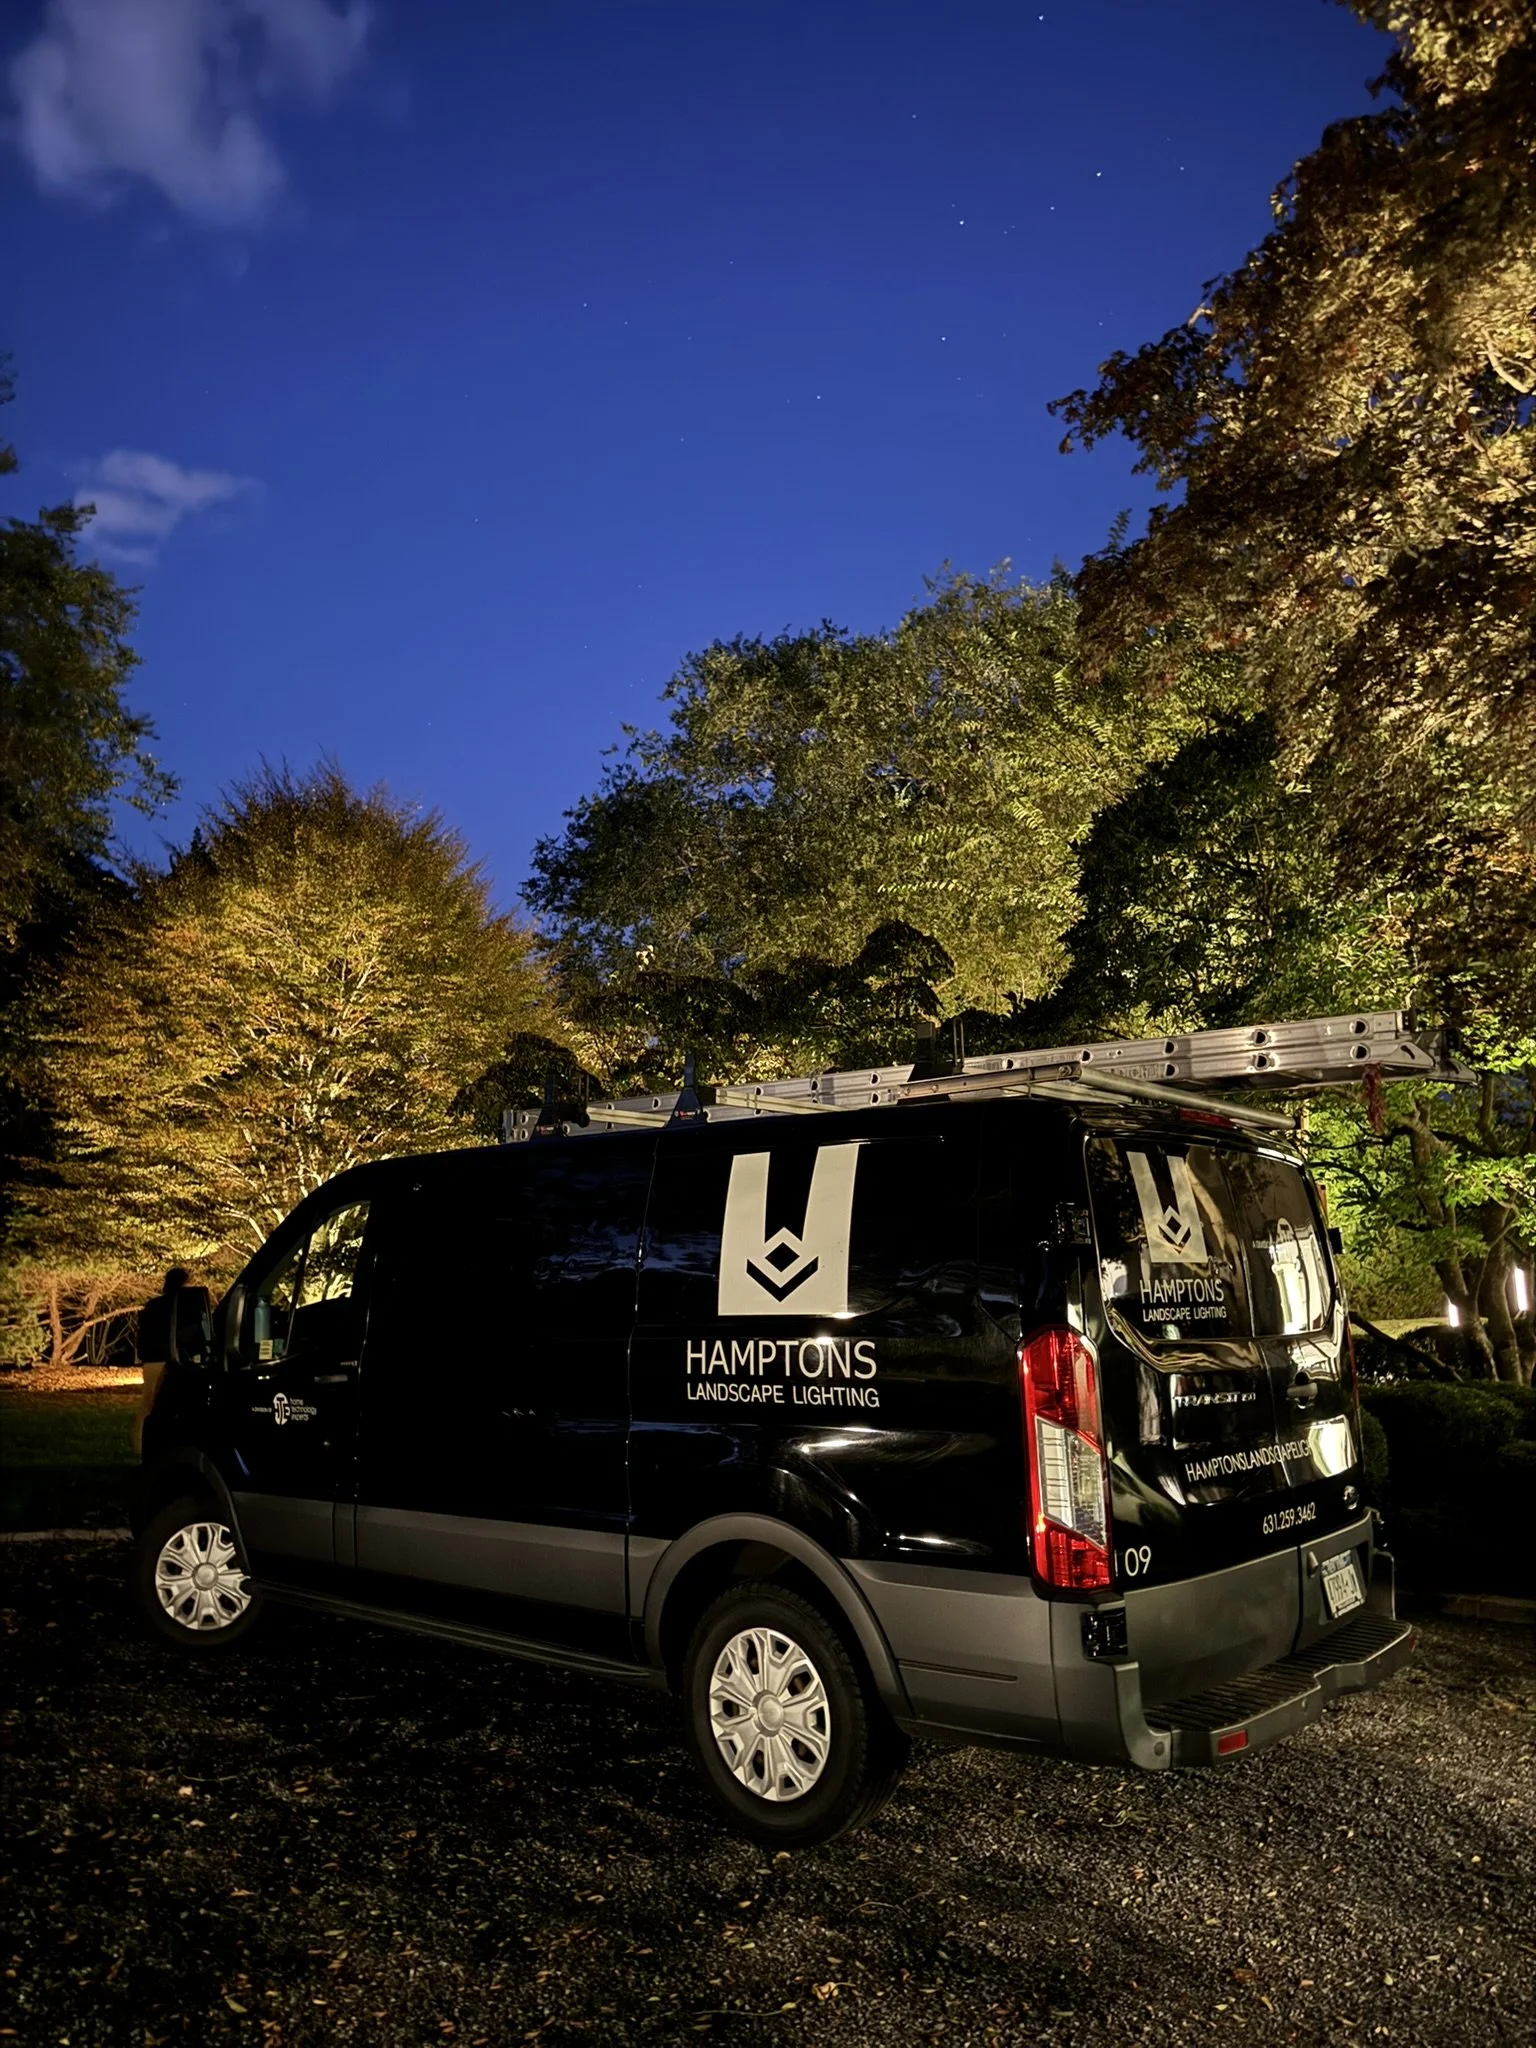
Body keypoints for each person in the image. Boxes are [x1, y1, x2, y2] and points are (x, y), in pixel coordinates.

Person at [134, 1268, 190, 1455]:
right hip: (175, 1359)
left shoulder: (154, 1305)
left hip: (153, 1360)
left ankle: (141, 1446)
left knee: (149, 1404)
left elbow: (143, 1334)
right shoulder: (185, 1306)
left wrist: (144, 1356)